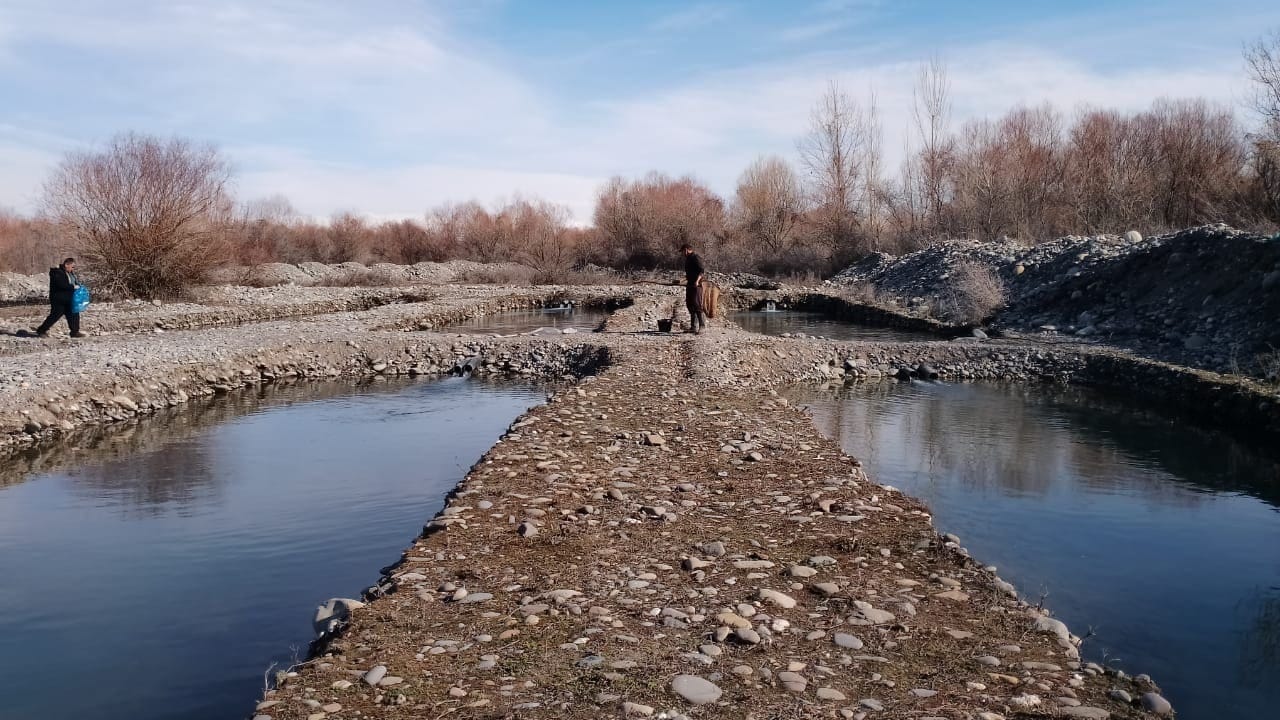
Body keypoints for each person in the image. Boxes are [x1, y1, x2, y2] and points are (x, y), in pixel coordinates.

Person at [34, 257, 84, 338]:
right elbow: (61, 284)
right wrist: (73, 287)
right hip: (58, 299)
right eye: (72, 266)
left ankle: (75, 332)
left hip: (69, 298)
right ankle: (41, 330)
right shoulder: (57, 272)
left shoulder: (70, 273)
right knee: (55, 315)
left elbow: (73, 282)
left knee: (74, 314)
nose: (73, 269)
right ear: (66, 265)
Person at [681, 243, 706, 334]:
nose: (683, 253)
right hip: (690, 284)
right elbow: (690, 272)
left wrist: (697, 281)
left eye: (683, 251)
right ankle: (693, 327)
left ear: (687, 249)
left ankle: (702, 326)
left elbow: (702, 271)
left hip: (697, 285)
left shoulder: (696, 257)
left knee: (697, 304)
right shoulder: (688, 259)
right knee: (690, 304)